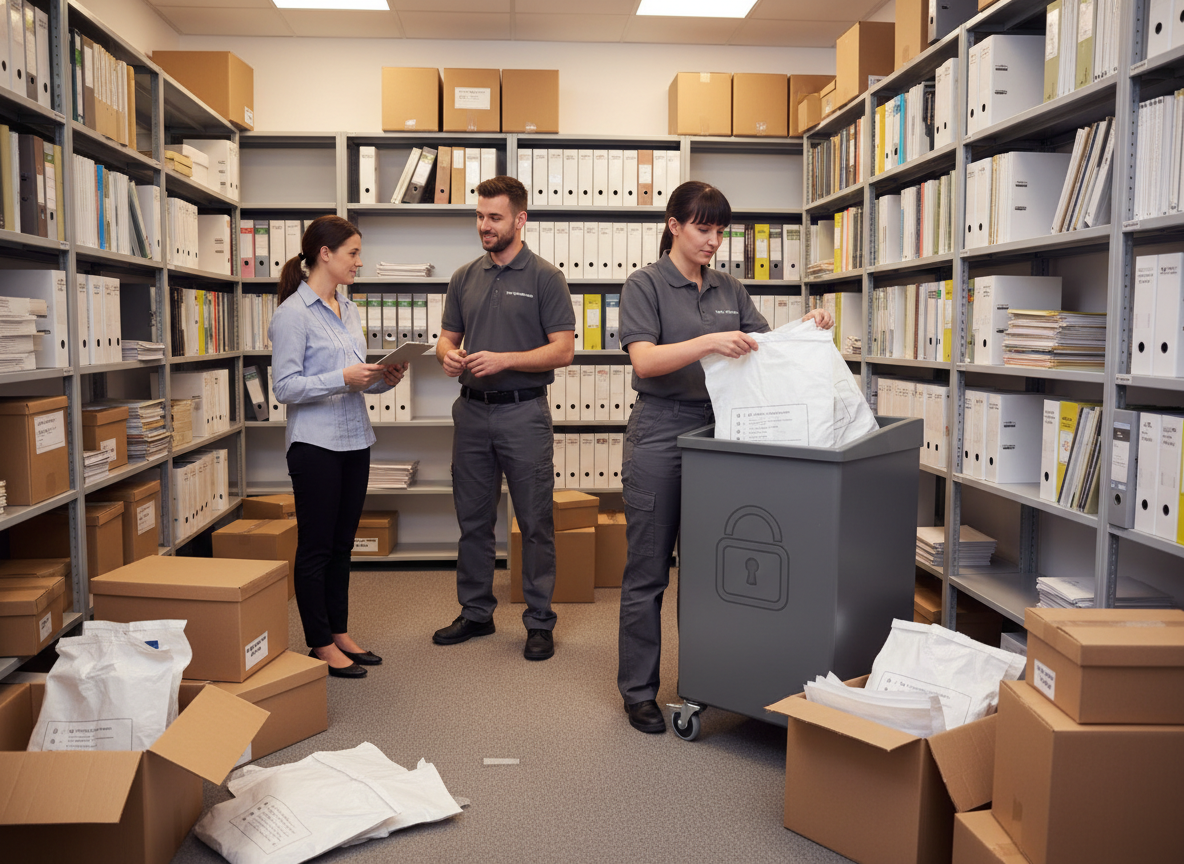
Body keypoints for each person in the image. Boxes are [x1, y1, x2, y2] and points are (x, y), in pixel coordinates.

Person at [617, 182, 834, 732]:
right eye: (702, 229)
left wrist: (805, 330)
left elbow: (764, 352)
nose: (713, 240)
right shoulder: (644, 285)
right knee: (648, 571)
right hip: (662, 433)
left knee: (714, 570)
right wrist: (711, 342)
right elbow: (644, 362)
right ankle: (639, 691)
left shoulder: (728, 288)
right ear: (674, 225)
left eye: (720, 231)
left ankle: (705, 681)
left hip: (723, 434)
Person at [434, 175, 575, 661]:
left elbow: (563, 351)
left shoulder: (545, 278)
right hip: (471, 413)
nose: (484, 226)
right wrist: (448, 356)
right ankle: (475, 613)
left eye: (494, 217)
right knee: (472, 520)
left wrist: (504, 360)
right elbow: (446, 339)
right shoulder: (463, 277)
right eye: (479, 216)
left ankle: (539, 622)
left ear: (520, 219)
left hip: (523, 414)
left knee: (535, 522)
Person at [269, 215, 405, 679]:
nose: (359, 262)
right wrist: (342, 377)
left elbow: (356, 384)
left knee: (343, 545)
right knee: (317, 547)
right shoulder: (292, 315)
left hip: (354, 441)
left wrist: (383, 379)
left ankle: (340, 631)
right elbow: (285, 388)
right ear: (324, 254)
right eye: (353, 253)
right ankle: (320, 642)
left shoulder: (347, 309)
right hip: (315, 446)